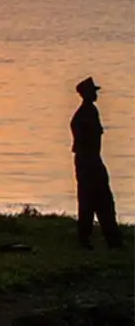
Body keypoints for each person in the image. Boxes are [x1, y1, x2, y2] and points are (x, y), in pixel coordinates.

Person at [69, 77, 123, 249]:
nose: (96, 94)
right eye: (93, 92)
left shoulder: (88, 112)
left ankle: (94, 239)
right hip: (89, 161)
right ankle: (104, 240)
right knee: (98, 200)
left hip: (88, 161)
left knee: (92, 200)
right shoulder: (87, 113)